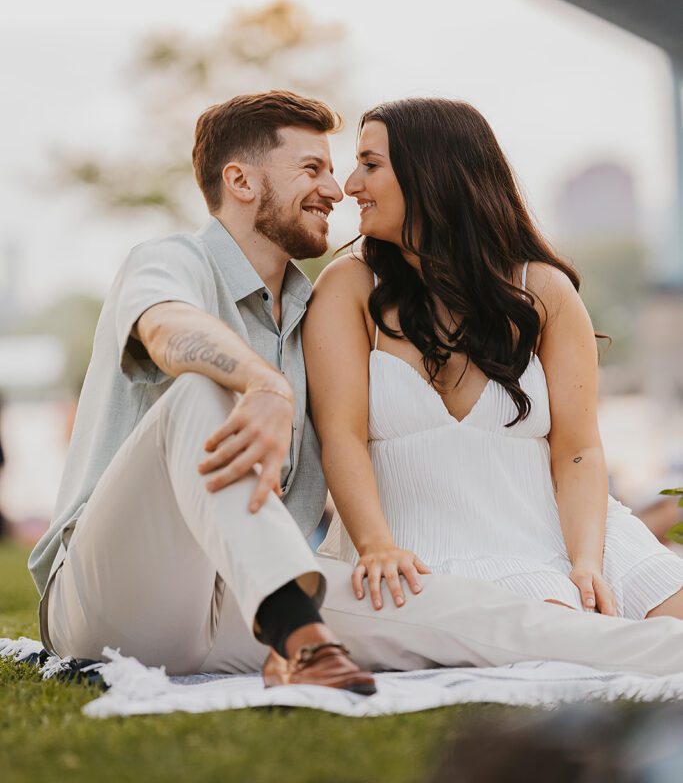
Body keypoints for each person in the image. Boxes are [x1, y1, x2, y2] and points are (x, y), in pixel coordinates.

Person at [29, 90, 683, 687]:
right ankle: (301, 637)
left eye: (346, 167)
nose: (338, 188)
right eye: (311, 169)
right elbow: (167, 328)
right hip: (110, 594)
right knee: (201, 396)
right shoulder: (170, 261)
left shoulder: (307, 308)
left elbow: (571, 443)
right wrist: (260, 384)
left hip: (236, 600)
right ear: (240, 180)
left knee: (487, 620)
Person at [305, 97, 683, 625]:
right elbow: (340, 435)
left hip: (569, 536)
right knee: (554, 638)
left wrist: (586, 561)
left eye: (370, 164)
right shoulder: (347, 287)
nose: (350, 185)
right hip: (417, 550)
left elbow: (577, 450)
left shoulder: (542, 289)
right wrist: (375, 546)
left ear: (432, 174)